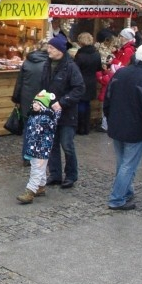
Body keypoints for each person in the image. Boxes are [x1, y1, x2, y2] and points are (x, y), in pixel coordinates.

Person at [103, 43, 142, 211]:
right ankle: (117, 198)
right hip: (136, 129)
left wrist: (109, 118)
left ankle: (126, 191)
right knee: (128, 165)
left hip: (117, 125)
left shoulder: (121, 73)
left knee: (123, 163)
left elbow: (107, 98)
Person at [41, 34, 84, 189]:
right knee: (52, 144)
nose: (49, 50)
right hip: (50, 111)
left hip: (67, 113)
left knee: (67, 145)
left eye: (51, 47)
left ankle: (71, 175)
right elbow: (44, 86)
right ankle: (55, 174)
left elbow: (79, 89)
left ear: (60, 50)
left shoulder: (71, 67)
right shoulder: (47, 65)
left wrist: (63, 102)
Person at [16, 90, 59, 204]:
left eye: (38, 103)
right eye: (34, 102)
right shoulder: (35, 115)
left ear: (43, 106)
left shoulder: (46, 117)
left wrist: (57, 111)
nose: (35, 105)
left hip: (41, 148)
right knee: (40, 168)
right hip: (35, 148)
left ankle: (30, 191)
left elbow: (54, 121)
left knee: (36, 169)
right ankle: (40, 187)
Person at [72, 32, 102, 135]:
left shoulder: (80, 55)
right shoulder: (96, 54)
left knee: (80, 104)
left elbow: (75, 69)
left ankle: (80, 127)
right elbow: (99, 68)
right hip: (92, 81)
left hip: (81, 81)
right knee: (87, 104)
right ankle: (86, 127)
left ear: (81, 42)